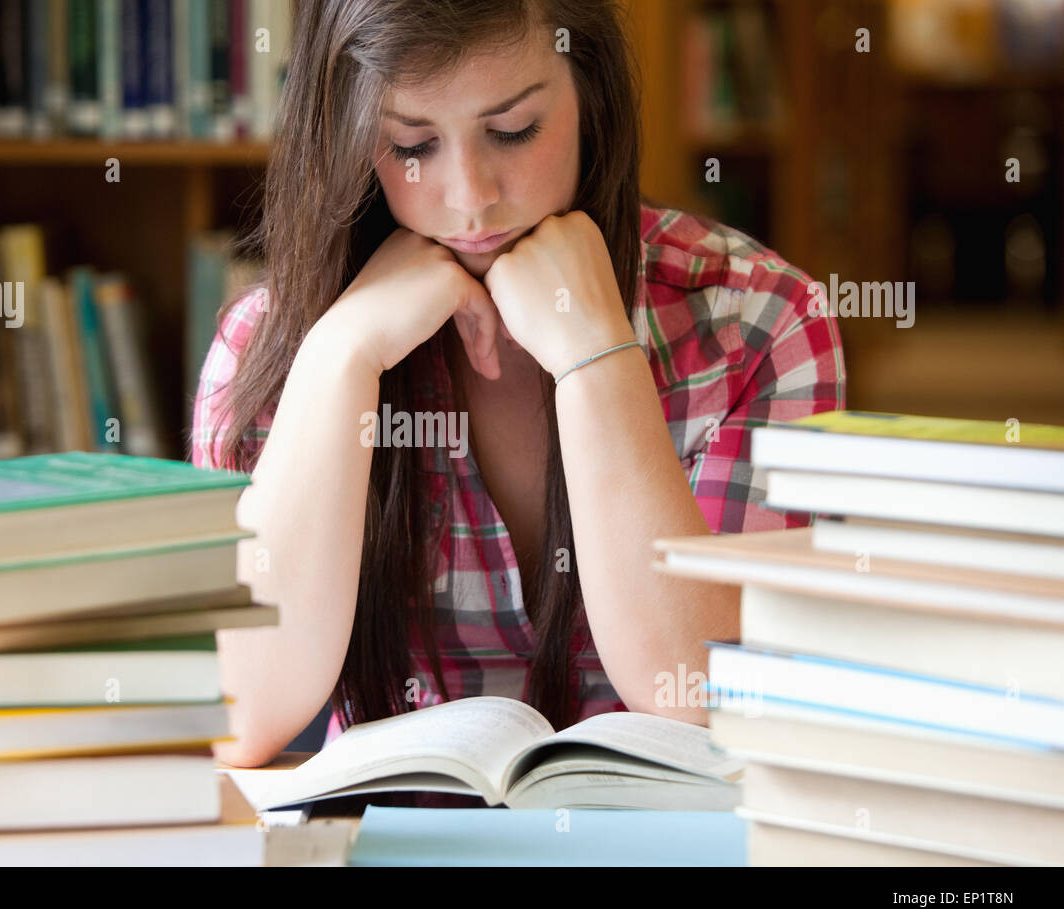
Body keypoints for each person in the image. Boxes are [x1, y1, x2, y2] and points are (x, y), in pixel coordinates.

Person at [192, 0, 845, 768]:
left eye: (513, 131)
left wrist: (596, 356)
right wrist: (343, 358)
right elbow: (241, 714)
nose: (470, 197)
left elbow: (710, 704)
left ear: (589, 99)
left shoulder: (762, 323)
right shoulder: (272, 346)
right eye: (411, 143)